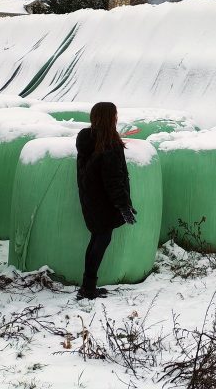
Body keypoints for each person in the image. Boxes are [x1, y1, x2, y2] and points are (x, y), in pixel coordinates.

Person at [75, 101, 137, 300]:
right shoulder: (108, 143)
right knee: (101, 240)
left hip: (90, 199)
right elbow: (113, 180)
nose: (116, 118)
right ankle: (88, 288)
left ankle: (88, 286)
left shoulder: (87, 139)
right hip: (104, 203)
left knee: (97, 238)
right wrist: (123, 206)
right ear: (110, 117)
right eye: (115, 115)